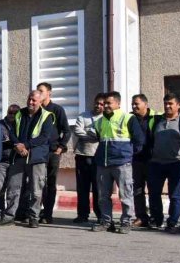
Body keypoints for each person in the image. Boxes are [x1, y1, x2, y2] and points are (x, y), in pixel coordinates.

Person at [1, 90, 58, 228]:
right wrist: (17, 145)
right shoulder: (20, 113)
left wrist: (25, 145)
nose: (31, 102)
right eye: (29, 99)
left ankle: (34, 217)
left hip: (37, 157)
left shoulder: (47, 116)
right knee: (13, 187)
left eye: (34, 100)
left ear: (40, 101)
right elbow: (12, 131)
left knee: (36, 190)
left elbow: (44, 137)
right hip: (18, 156)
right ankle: (9, 216)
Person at [92, 91, 145, 234]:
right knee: (103, 196)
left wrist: (127, 155)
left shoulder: (128, 118)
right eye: (105, 103)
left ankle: (126, 222)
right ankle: (106, 222)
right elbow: (100, 139)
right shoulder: (99, 121)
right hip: (103, 164)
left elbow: (139, 140)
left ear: (118, 103)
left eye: (109, 103)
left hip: (122, 163)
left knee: (125, 194)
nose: (106, 106)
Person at [146, 94, 180, 232]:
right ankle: (157, 219)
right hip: (156, 163)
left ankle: (172, 222)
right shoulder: (156, 120)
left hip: (176, 163)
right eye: (165, 103)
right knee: (154, 193)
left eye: (170, 103)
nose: (167, 106)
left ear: (179, 105)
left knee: (175, 195)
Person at [36, 82, 71, 224]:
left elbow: (67, 131)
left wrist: (60, 148)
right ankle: (35, 212)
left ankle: (48, 214)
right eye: (37, 90)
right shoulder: (36, 110)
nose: (39, 93)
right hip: (38, 152)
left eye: (41, 91)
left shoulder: (57, 109)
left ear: (49, 93)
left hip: (52, 153)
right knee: (38, 183)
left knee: (50, 183)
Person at [72, 93, 105, 223]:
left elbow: (102, 135)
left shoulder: (105, 119)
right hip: (82, 155)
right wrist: (93, 135)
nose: (98, 106)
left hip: (97, 157)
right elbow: (78, 131)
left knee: (98, 188)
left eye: (102, 104)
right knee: (82, 188)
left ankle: (100, 215)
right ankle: (82, 214)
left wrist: (93, 134)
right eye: (97, 103)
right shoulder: (83, 115)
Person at [0, 104, 21, 223]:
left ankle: (10, 215)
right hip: (2, 161)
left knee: (13, 190)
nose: (12, 115)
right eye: (10, 112)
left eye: (15, 113)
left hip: (16, 162)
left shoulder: (21, 125)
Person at [130, 94, 155, 227]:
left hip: (152, 160)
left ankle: (155, 217)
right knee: (137, 190)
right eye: (132, 104)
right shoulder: (130, 118)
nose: (134, 106)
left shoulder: (155, 118)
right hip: (136, 160)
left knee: (153, 190)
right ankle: (141, 217)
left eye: (136, 104)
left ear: (145, 104)